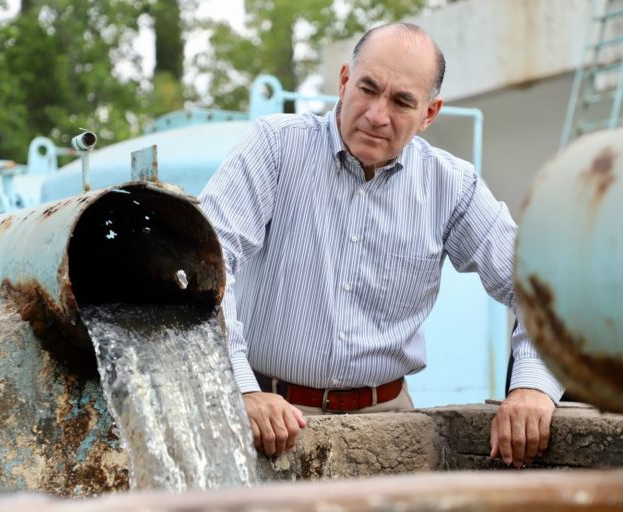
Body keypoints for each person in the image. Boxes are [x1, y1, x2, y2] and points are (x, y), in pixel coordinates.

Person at [199, 22, 564, 468]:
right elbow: (208, 262)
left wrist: (532, 386)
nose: (376, 114)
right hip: (268, 421)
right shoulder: (275, 147)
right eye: (368, 89)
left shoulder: (451, 186)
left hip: (390, 428)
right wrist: (241, 388)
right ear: (344, 81)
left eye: (401, 101)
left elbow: (542, 287)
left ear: (429, 113)